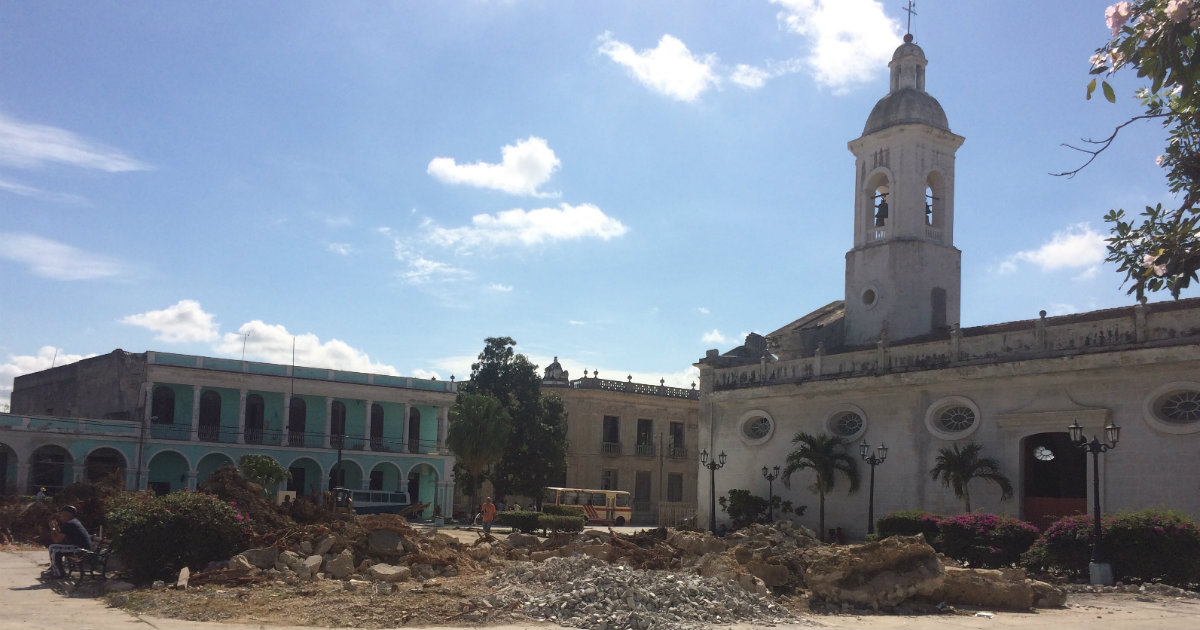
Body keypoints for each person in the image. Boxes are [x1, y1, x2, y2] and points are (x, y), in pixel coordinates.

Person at [45, 505, 92, 579]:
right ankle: (55, 570)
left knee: (54, 549)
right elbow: (60, 537)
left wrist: (53, 528)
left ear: (67, 514)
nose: (60, 517)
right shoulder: (73, 522)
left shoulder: (69, 524)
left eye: (61, 514)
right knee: (53, 547)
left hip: (81, 550)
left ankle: (59, 574)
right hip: (80, 549)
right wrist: (56, 528)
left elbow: (57, 540)